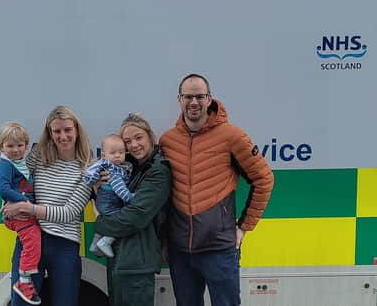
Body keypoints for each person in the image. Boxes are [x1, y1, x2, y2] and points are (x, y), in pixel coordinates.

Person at [160, 73, 274, 306]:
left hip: (219, 249)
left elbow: (263, 179)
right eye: (188, 97)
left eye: (200, 97)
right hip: (180, 251)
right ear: (179, 99)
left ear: (210, 99)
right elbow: (162, 194)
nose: (194, 103)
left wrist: (244, 227)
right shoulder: (167, 140)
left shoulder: (232, 136)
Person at [1, 106, 93, 306]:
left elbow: (69, 213)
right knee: (21, 303)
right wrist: (9, 205)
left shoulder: (88, 168)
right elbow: (19, 181)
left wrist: (27, 208)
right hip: (30, 241)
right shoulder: (38, 156)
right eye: (56, 131)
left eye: (67, 130)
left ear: (77, 130)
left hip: (64, 246)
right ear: (50, 134)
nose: (63, 136)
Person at [94, 113, 172, 306]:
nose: (134, 145)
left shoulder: (158, 171)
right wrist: (96, 188)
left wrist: (100, 223)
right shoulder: (133, 168)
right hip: (123, 260)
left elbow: (135, 217)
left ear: (150, 137)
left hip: (137, 263)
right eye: (127, 141)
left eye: (139, 137)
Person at [0, 122, 42, 305]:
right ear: (1, 147)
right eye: (10, 146)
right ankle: (23, 281)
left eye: (20, 145)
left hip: (22, 212)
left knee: (33, 240)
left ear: (26, 146)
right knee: (32, 240)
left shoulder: (19, 162)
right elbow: (2, 189)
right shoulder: (6, 165)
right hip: (19, 214)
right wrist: (25, 203)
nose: (15, 150)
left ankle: (25, 279)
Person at [83, 134, 134, 258]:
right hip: (110, 202)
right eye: (113, 153)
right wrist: (130, 197)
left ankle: (95, 244)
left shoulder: (106, 166)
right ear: (103, 155)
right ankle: (106, 241)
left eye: (121, 152)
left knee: (105, 221)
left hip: (102, 202)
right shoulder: (113, 171)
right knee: (120, 221)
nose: (117, 155)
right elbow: (120, 189)